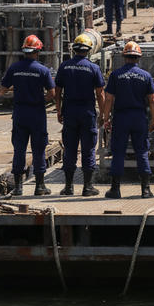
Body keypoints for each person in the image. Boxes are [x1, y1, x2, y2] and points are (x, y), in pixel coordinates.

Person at [0, 35, 56, 196]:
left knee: (19, 149)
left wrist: (19, 91)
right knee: (38, 149)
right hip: (37, 113)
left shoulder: (14, 68)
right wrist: (38, 99)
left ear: (24, 50)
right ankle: (40, 187)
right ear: (37, 52)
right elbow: (52, 94)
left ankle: (18, 188)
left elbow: (2, 92)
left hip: (20, 114)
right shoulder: (43, 70)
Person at [101, 42, 154, 199]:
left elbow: (108, 99)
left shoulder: (115, 75)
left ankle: (115, 190)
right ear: (138, 58)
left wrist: (106, 119)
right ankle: (145, 190)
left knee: (118, 152)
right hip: (139, 117)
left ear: (124, 57)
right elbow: (152, 100)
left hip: (121, 117)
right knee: (142, 151)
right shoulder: (145, 75)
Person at [54, 33, 105, 197]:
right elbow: (100, 94)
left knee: (70, 148)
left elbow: (58, 91)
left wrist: (58, 110)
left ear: (74, 49)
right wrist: (103, 114)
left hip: (69, 112)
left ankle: (68, 187)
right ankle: (87, 187)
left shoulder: (64, 66)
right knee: (88, 148)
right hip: (87, 112)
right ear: (89, 50)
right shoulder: (93, 68)